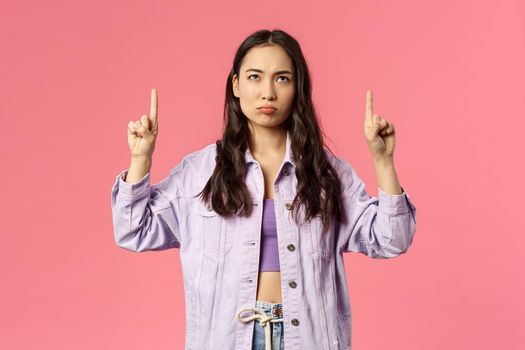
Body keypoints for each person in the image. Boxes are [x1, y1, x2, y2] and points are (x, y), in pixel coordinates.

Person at [111, 29, 417, 350]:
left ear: (297, 88)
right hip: (227, 340)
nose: (268, 92)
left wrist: (383, 161)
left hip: (308, 340)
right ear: (236, 86)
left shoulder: (326, 173)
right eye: (255, 77)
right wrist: (141, 158)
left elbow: (392, 239)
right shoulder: (200, 172)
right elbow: (133, 230)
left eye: (282, 79)